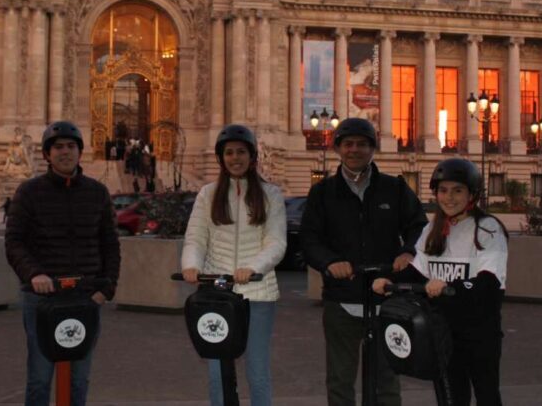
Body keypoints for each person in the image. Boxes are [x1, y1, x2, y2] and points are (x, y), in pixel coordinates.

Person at [299, 117, 427, 406]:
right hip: (342, 298)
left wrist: (408, 252)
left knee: (388, 378)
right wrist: (330, 262)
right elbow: (310, 239)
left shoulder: (393, 188)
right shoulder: (323, 192)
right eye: (348, 144)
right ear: (338, 149)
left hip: (386, 296)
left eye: (362, 144)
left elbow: (418, 225)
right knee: (340, 380)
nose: (354, 150)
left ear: (372, 149)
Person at [373, 158, 508, 406]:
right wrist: (388, 281)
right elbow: (417, 271)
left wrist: (450, 287)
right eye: (443, 190)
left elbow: (489, 282)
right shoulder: (432, 229)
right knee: (452, 395)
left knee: (487, 394)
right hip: (443, 329)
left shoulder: (487, 228)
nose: (450, 197)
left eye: (458, 190)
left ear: (472, 194)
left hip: (479, 331)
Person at [6, 120, 121, 406]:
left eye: (71, 146)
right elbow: (15, 243)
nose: (65, 152)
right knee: (40, 377)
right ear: (46, 154)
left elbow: (110, 244)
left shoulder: (97, 192)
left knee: (79, 378)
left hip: (85, 296)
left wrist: (106, 288)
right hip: (42, 297)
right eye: (58, 147)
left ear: (80, 152)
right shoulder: (28, 192)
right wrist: (33, 275)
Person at [181, 124, 286, 406]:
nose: (235, 158)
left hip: (258, 293)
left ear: (252, 157)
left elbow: (276, 242)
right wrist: (191, 265)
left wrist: (253, 268)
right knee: (217, 373)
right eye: (229, 153)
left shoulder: (270, 194)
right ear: (221, 157)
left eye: (241, 152)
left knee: (257, 371)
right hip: (217, 294)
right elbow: (196, 237)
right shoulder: (207, 194)